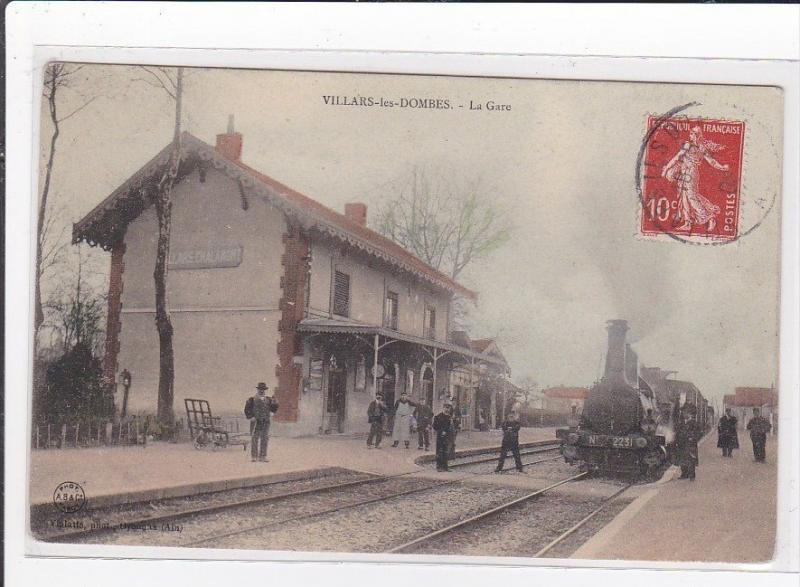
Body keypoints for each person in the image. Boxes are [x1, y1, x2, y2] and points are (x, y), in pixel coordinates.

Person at [661, 126, 729, 232]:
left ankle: (709, 217)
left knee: (691, 197)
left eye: (692, 134)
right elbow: (677, 157)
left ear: (696, 135)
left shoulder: (698, 147)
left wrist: (722, 167)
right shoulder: (692, 145)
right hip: (684, 173)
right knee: (684, 198)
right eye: (690, 134)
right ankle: (687, 223)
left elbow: (711, 161)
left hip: (691, 173)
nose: (690, 136)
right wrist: (667, 169)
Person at [244, 382, 279, 462]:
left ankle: (263, 456)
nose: (262, 391)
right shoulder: (252, 399)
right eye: (260, 389)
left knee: (264, 439)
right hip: (255, 422)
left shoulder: (269, 399)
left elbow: (275, 407)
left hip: (265, 422)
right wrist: (251, 417)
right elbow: (247, 409)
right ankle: (254, 456)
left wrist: (272, 412)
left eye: (263, 390)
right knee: (254, 438)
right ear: (257, 390)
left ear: (265, 390)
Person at [674, 409, 701, 480]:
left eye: (686, 413)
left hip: (690, 444)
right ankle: (684, 474)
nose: (684, 414)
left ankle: (692, 475)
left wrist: (693, 438)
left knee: (691, 459)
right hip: (681, 444)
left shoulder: (694, 423)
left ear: (690, 414)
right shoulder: (681, 423)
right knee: (683, 459)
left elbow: (699, 433)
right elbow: (677, 432)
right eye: (683, 412)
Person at [432, 403, 455, 472]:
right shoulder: (438, 417)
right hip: (440, 436)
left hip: (447, 437)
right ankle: (438, 466)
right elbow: (434, 426)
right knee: (439, 451)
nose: (447, 409)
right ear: (443, 408)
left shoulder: (449, 417)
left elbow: (450, 427)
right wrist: (441, 431)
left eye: (448, 408)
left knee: (446, 451)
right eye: (446, 408)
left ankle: (445, 466)